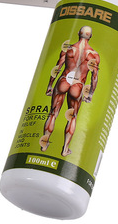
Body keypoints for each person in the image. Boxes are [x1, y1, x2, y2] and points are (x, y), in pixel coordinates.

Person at [41, 26, 100, 156]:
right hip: (78, 85)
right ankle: (65, 149)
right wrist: (90, 94)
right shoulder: (94, 55)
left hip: (63, 81)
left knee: (53, 113)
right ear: (90, 36)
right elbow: (94, 77)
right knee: (72, 117)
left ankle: (44, 145)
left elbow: (58, 67)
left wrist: (50, 85)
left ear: (78, 33)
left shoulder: (69, 49)